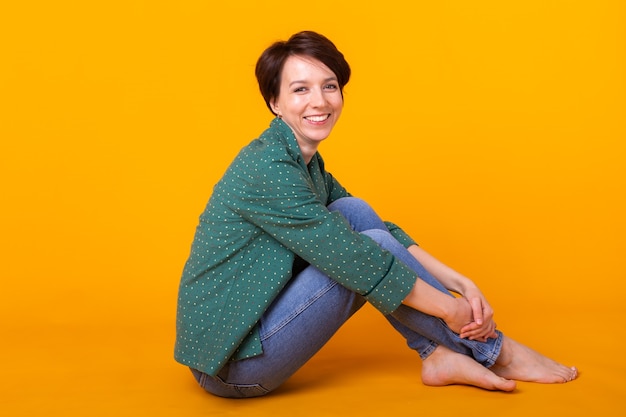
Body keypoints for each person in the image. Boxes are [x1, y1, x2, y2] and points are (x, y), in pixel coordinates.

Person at [174, 31, 577, 398]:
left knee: (352, 211)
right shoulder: (269, 170)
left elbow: (375, 227)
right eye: (300, 90)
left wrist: (460, 283)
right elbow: (358, 259)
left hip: (254, 330)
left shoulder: (301, 161)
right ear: (275, 102)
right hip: (232, 364)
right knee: (364, 253)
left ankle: (436, 353)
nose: (320, 101)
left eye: (329, 86)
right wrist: (452, 310)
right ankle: (495, 351)